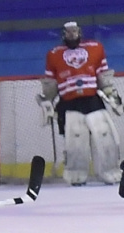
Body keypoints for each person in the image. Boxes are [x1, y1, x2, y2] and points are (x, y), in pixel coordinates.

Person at [36, 21, 123, 186]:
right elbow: (51, 84)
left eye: (74, 31)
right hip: (69, 103)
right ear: (63, 34)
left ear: (80, 32)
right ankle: (76, 174)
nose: (72, 35)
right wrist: (47, 101)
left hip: (92, 101)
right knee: (75, 140)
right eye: (69, 32)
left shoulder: (95, 48)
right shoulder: (54, 54)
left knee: (105, 136)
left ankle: (110, 171)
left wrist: (111, 95)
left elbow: (103, 76)